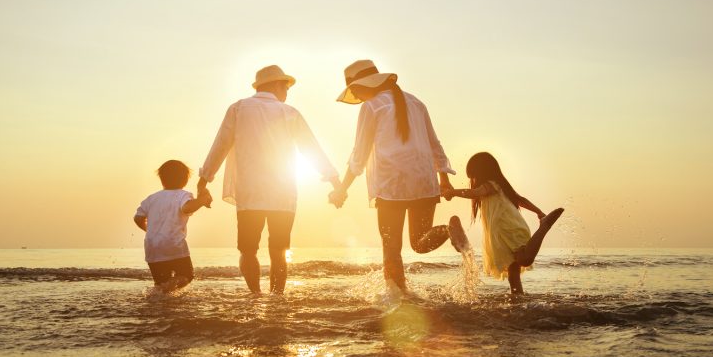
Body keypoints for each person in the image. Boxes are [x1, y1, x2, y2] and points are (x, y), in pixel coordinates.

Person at [199, 65, 341, 295]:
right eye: (286, 87)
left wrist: (204, 179)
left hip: (250, 194)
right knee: (279, 250)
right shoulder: (289, 112)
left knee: (247, 250)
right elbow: (311, 148)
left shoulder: (238, 108)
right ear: (276, 85)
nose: (287, 92)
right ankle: (276, 298)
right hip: (282, 195)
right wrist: (335, 181)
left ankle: (255, 295)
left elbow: (221, 144)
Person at [329, 59, 469, 292]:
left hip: (391, 185)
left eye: (354, 89)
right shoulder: (416, 102)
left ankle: (398, 298)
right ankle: (447, 231)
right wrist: (443, 179)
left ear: (365, 85)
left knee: (391, 247)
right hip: (424, 182)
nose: (355, 94)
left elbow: (359, 154)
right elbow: (435, 144)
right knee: (420, 242)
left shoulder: (371, 106)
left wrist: (342, 189)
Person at [445, 152, 564, 294]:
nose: (473, 180)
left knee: (524, 259)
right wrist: (538, 211)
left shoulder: (490, 185)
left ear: (481, 171)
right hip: (501, 232)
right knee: (513, 271)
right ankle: (517, 298)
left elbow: (474, 192)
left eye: (474, 176)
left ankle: (544, 227)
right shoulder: (499, 186)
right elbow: (520, 199)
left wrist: (452, 192)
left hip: (507, 228)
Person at [133, 160, 212, 292]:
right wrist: (201, 201)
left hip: (152, 247)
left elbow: (138, 218)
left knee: (159, 282)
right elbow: (187, 208)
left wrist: (149, 230)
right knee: (187, 276)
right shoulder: (183, 195)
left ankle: (161, 293)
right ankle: (167, 287)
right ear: (185, 180)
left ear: (161, 179)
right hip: (173, 245)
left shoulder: (151, 198)